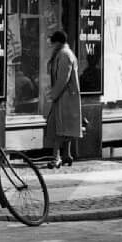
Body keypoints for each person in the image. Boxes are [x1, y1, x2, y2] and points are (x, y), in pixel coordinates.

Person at [44, 30, 82, 168]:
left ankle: (56, 157)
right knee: (64, 127)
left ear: (58, 42)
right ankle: (67, 155)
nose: (52, 45)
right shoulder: (64, 53)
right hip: (65, 97)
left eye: (53, 42)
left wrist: (53, 94)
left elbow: (62, 79)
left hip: (64, 98)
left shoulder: (64, 54)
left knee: (59, 128)